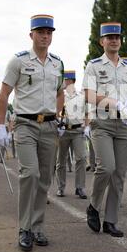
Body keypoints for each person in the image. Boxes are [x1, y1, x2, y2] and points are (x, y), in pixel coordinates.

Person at [0, 14, 64, 252]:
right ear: (31, 35)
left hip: (49, 126)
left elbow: (59, 92)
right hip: (25, 125)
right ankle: (24, 228)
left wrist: (59, 116)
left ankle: (37, 227)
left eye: (49, 32)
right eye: (41, 32)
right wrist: (0, 126)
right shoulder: (18, 61)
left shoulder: (57, 63)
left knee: (45, 178)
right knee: (30, 174)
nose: (45, 36)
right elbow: (4, 94)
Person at [83, 22, 127, 237]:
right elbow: (89, 95)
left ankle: (110, 220)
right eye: (109, 37)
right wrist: (112, 102)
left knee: (119, 173)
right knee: (106, 167)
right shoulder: (94, 66)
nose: (114, 40)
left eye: (117, 37)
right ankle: (93, 206)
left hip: (124, 125)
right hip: (102, 123)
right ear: (102, 41)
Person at [55, 70, 89, 199]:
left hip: (77, 131)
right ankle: (61, 187)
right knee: (60, 160)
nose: (64, 83)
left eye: (65, 80)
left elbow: (87, 113)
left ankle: (80, 187)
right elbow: (56, 112)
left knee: (81, 158)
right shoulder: (59, 96)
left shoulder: (81, 96)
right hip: (63, 131)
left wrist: (86, 127)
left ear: (70, 81)